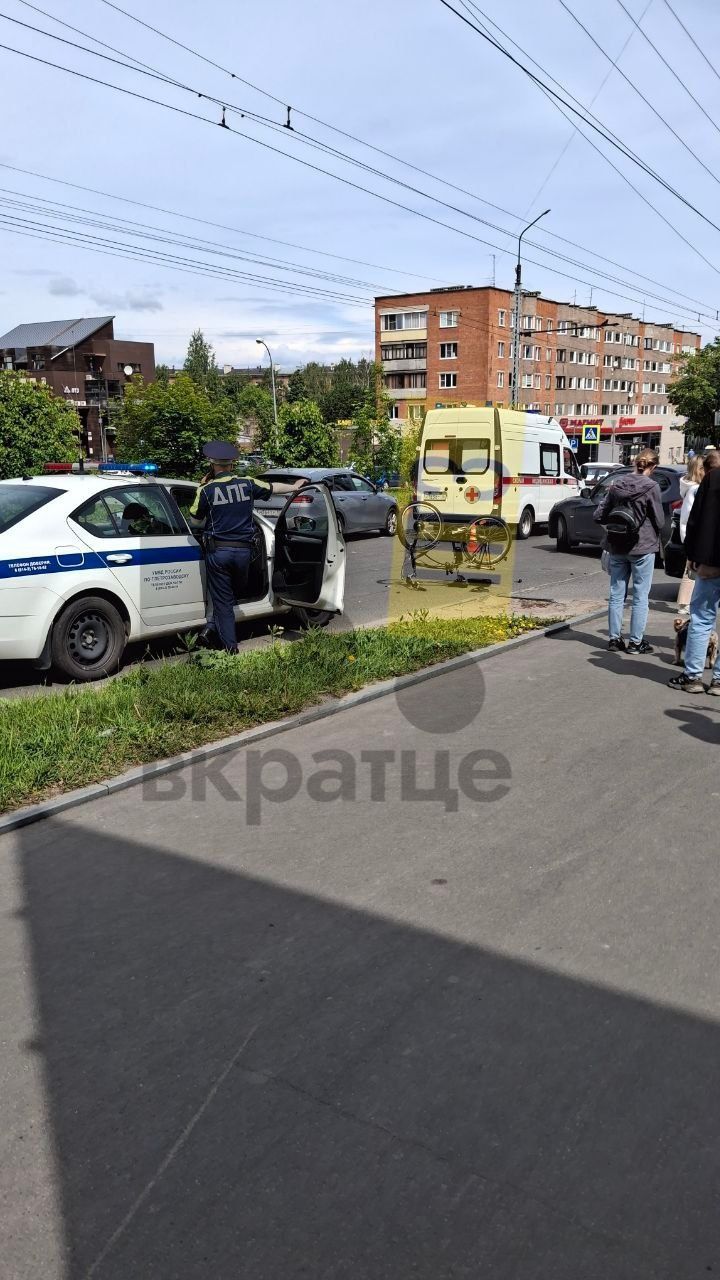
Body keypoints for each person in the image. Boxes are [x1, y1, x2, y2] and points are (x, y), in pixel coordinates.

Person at [189, 441, 301, 653]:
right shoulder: (247, 483)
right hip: (244, 553)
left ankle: (230, 649)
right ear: (232, 464)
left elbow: (195, 521)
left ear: (212, 464)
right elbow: (273, 488)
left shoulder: (206, 490)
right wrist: (295, 487)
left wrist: (202, 489)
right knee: (235, 591)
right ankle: (212, 627)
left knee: (222, 601)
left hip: (219, 553)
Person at [594, 447, 664, 654]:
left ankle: (614, 640)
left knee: (616, 593)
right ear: (653, 466)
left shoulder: (617, 484)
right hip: (643, 547)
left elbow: (599, 515)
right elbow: (659, 521)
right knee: (641, 596)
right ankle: (635, 643)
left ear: (635, 463)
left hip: (617, 545)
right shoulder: (652, 487)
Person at [668, 461, 720, 694]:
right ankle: (718, 681)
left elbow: (695, 521)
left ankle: (693, 678)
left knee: (701, 618)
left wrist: (692, 555)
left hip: (711, 560)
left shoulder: (712, 479)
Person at [675, 455, 707, 618]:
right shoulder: (694, 490)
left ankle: (687, 603)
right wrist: (689, 541)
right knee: (690, 571)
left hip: (694, 537)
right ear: (700, 470)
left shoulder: (694, 488)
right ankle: (684, 604)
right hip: (694, 538)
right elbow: (687, 519)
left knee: (692, 571)